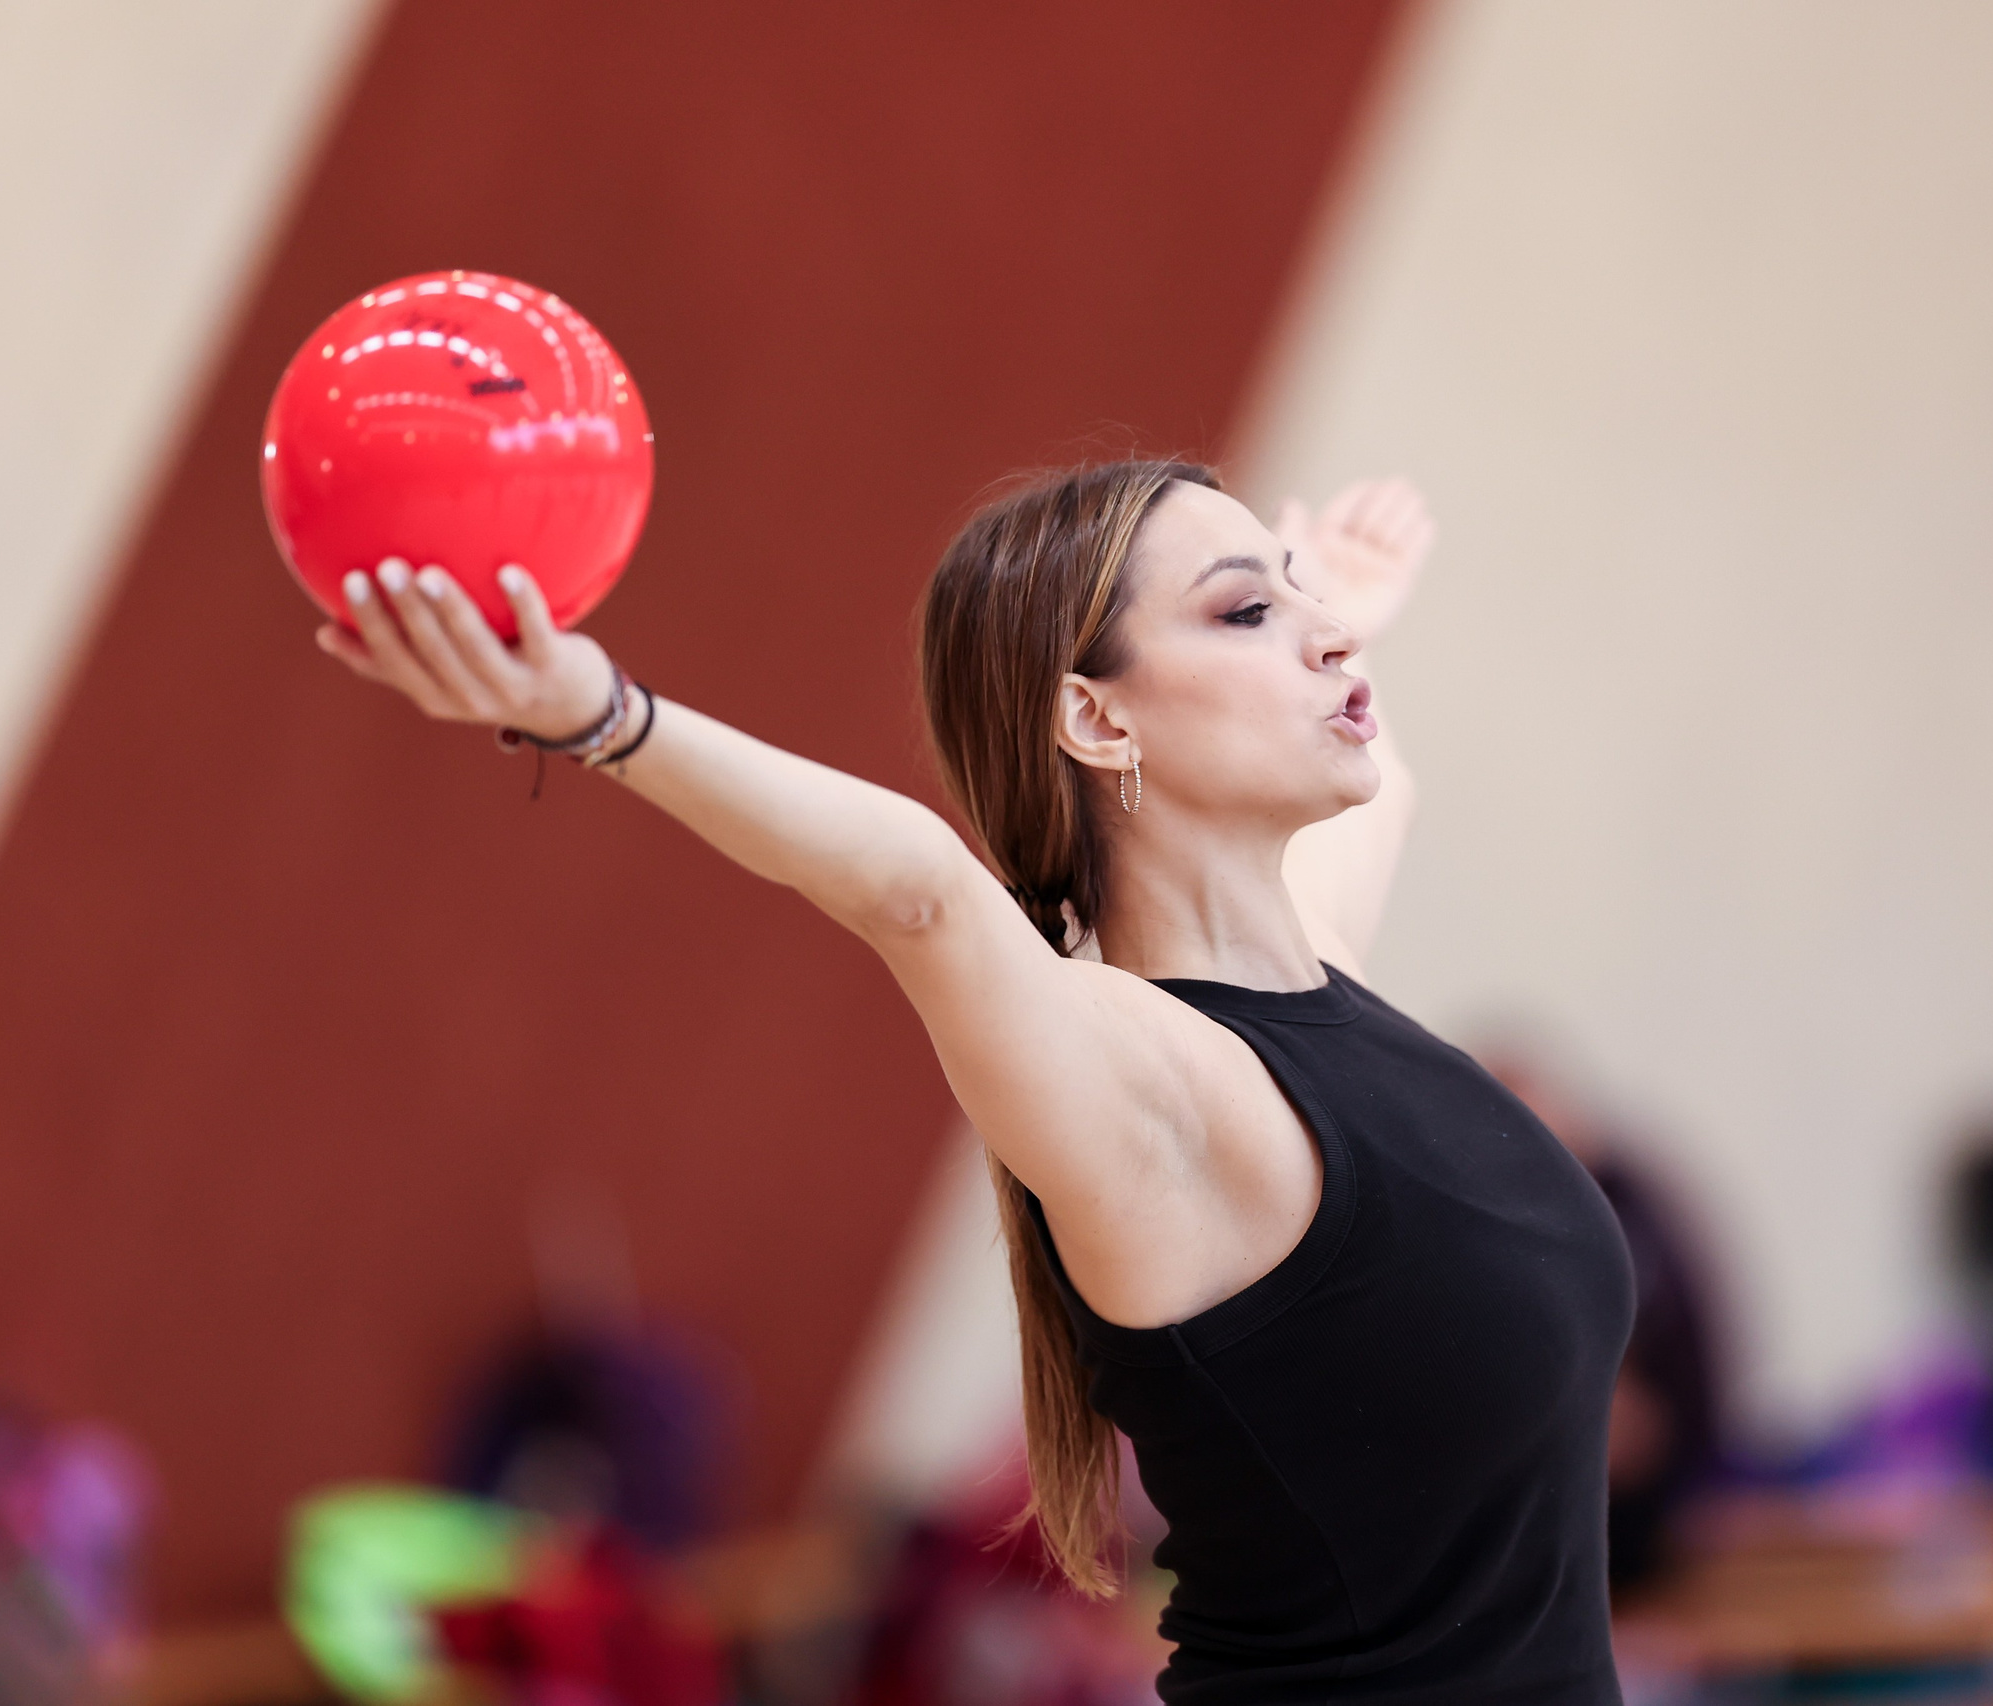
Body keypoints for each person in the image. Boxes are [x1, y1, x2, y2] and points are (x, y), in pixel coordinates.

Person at [317, 460, 1636, 1703]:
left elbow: (1383, 779)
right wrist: (601, 712)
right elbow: (923, 893)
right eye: (1244, 608)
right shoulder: (1147, 1083)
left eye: (1301, 599)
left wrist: (1326, 608)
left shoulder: (1321, 976)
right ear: (1095, 712)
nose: (1328, 638)